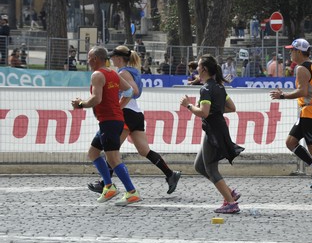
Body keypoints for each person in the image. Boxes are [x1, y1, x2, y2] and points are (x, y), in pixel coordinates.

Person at [86, 45, 181, 195]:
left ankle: (106, 183)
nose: (110, 59)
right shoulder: (130, 71)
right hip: (135, 113)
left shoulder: (123, 72)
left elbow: (134, 91)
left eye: (112, 57)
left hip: (127, 113)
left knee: (112, 152)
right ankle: (170, 174)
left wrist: (119, 105)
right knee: (144, 150)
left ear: (118, 58)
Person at [70, 46, 141, 206]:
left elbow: (96, 99)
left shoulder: (97, 75)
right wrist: (118, 106)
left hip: (109, 121)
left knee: (114, 159)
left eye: (89, 58)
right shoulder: (113, 73)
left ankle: (131, 192)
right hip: (112, 120)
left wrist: (80, 104)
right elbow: (129, 91)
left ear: (95, 59)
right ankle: (109, 187)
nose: (87, 61)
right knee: (93, 153)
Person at [269, 38, 312, 195]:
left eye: (292, 50)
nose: (290, 53)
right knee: (290, 142)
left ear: (299, 52)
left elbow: (302, 91)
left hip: (310, 112)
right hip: (309, 111)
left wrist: (283, 96)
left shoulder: (301, 68)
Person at [180, 55, 244, 214]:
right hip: (216, 128)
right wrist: (216, 110)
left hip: (214, 130)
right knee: (199, 166)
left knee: (210, 169)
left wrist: (188, 105)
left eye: (198, 66)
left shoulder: (206, 89)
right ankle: (230, 193)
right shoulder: (219, 87)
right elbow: (231, 107)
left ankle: (231, 203)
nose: (196, 69)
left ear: (204, 69)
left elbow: (203, 113)